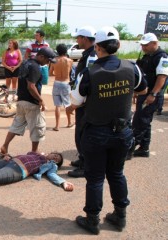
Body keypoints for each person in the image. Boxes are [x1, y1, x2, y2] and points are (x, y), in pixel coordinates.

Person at [68, 26, 147, 235]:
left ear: (97, 47)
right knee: (117, 173)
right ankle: (120, 217)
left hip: (96, 132)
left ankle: (92, 220)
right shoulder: (133, 68)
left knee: (95, 178)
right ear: (118, 45)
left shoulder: (89, 72)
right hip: (122, 132)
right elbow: (143, 89)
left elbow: (75, 100)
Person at [0, 48, 57, 156]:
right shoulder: (35, 67)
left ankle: (5, 146)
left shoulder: (25, 62)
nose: (47, 63)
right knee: (37, 126)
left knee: (16, 125)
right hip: (31, 102)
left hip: (21, 100)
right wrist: (40, 100)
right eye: (47, 60)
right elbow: (31, 86)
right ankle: (34, 151)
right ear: (41, 56)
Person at [65, 26, 98, 178]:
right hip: (82, 101)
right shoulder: (87, 54)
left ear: (84, 38)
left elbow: (90, 80)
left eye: (78, 38)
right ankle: (82, 159)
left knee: (83, 134)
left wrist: (78, 102)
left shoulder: (92, 55)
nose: (77, 40)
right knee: (80, 132)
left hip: (85, 103)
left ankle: (86, 166)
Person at [131, 33, 168, 157]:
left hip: (152, 95)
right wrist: (138, 92)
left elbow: (162, 77)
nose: (143, 47)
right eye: (142, 45)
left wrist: (153, 94)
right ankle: (144, 148)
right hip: (144, 93)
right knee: (144, 121)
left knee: (140, 121)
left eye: (146, 45)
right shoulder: (147, 56)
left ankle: (130, 148)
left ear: (154, 43)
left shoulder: (162, 57)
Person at [49, 43, 74, 131]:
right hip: (66, 83)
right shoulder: (70, 61)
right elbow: (70, 72)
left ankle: (57, 126)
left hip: (56, 82)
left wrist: (56, 74)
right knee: (67, 104)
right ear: (65, 51)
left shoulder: (54, 60)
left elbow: (50, 73)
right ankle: (69, 122)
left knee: (57, 105)